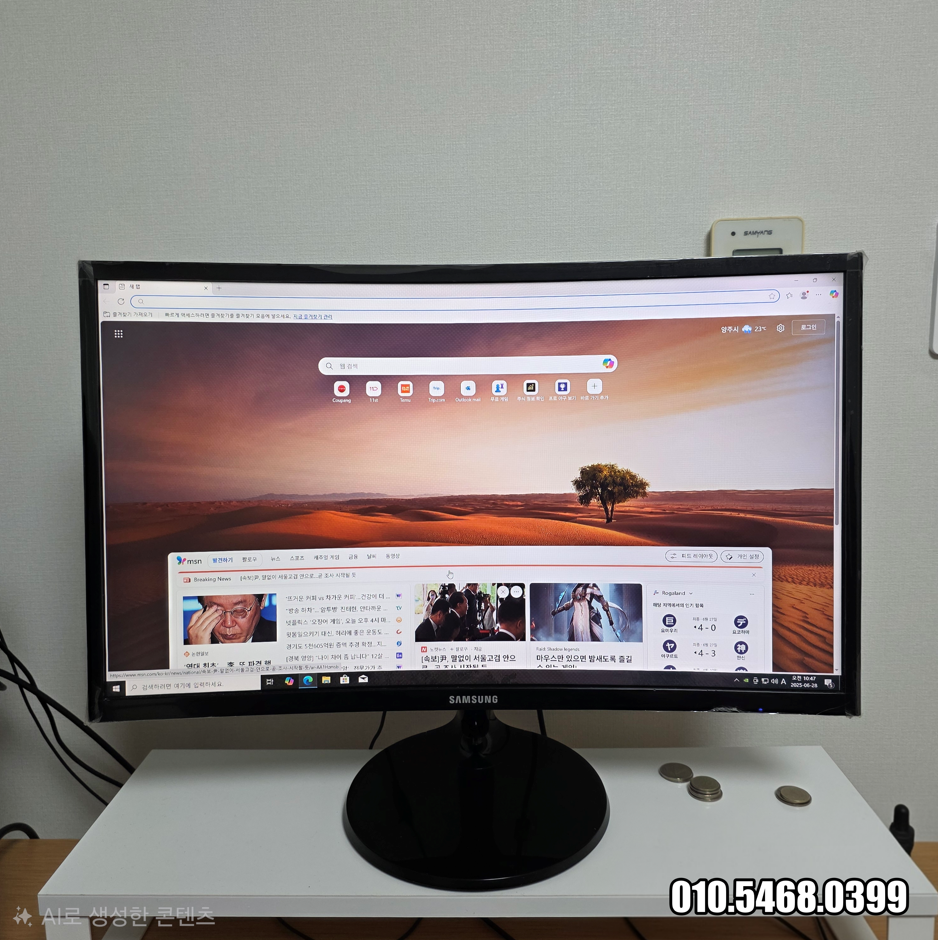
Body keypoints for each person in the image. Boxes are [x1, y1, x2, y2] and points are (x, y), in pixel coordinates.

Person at [185, 594, 276, 644]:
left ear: (262, 601)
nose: (228, 624)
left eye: (240, 611)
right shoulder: (188, 648)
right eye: (217, 611)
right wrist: (199, 654)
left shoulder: (280, 637)